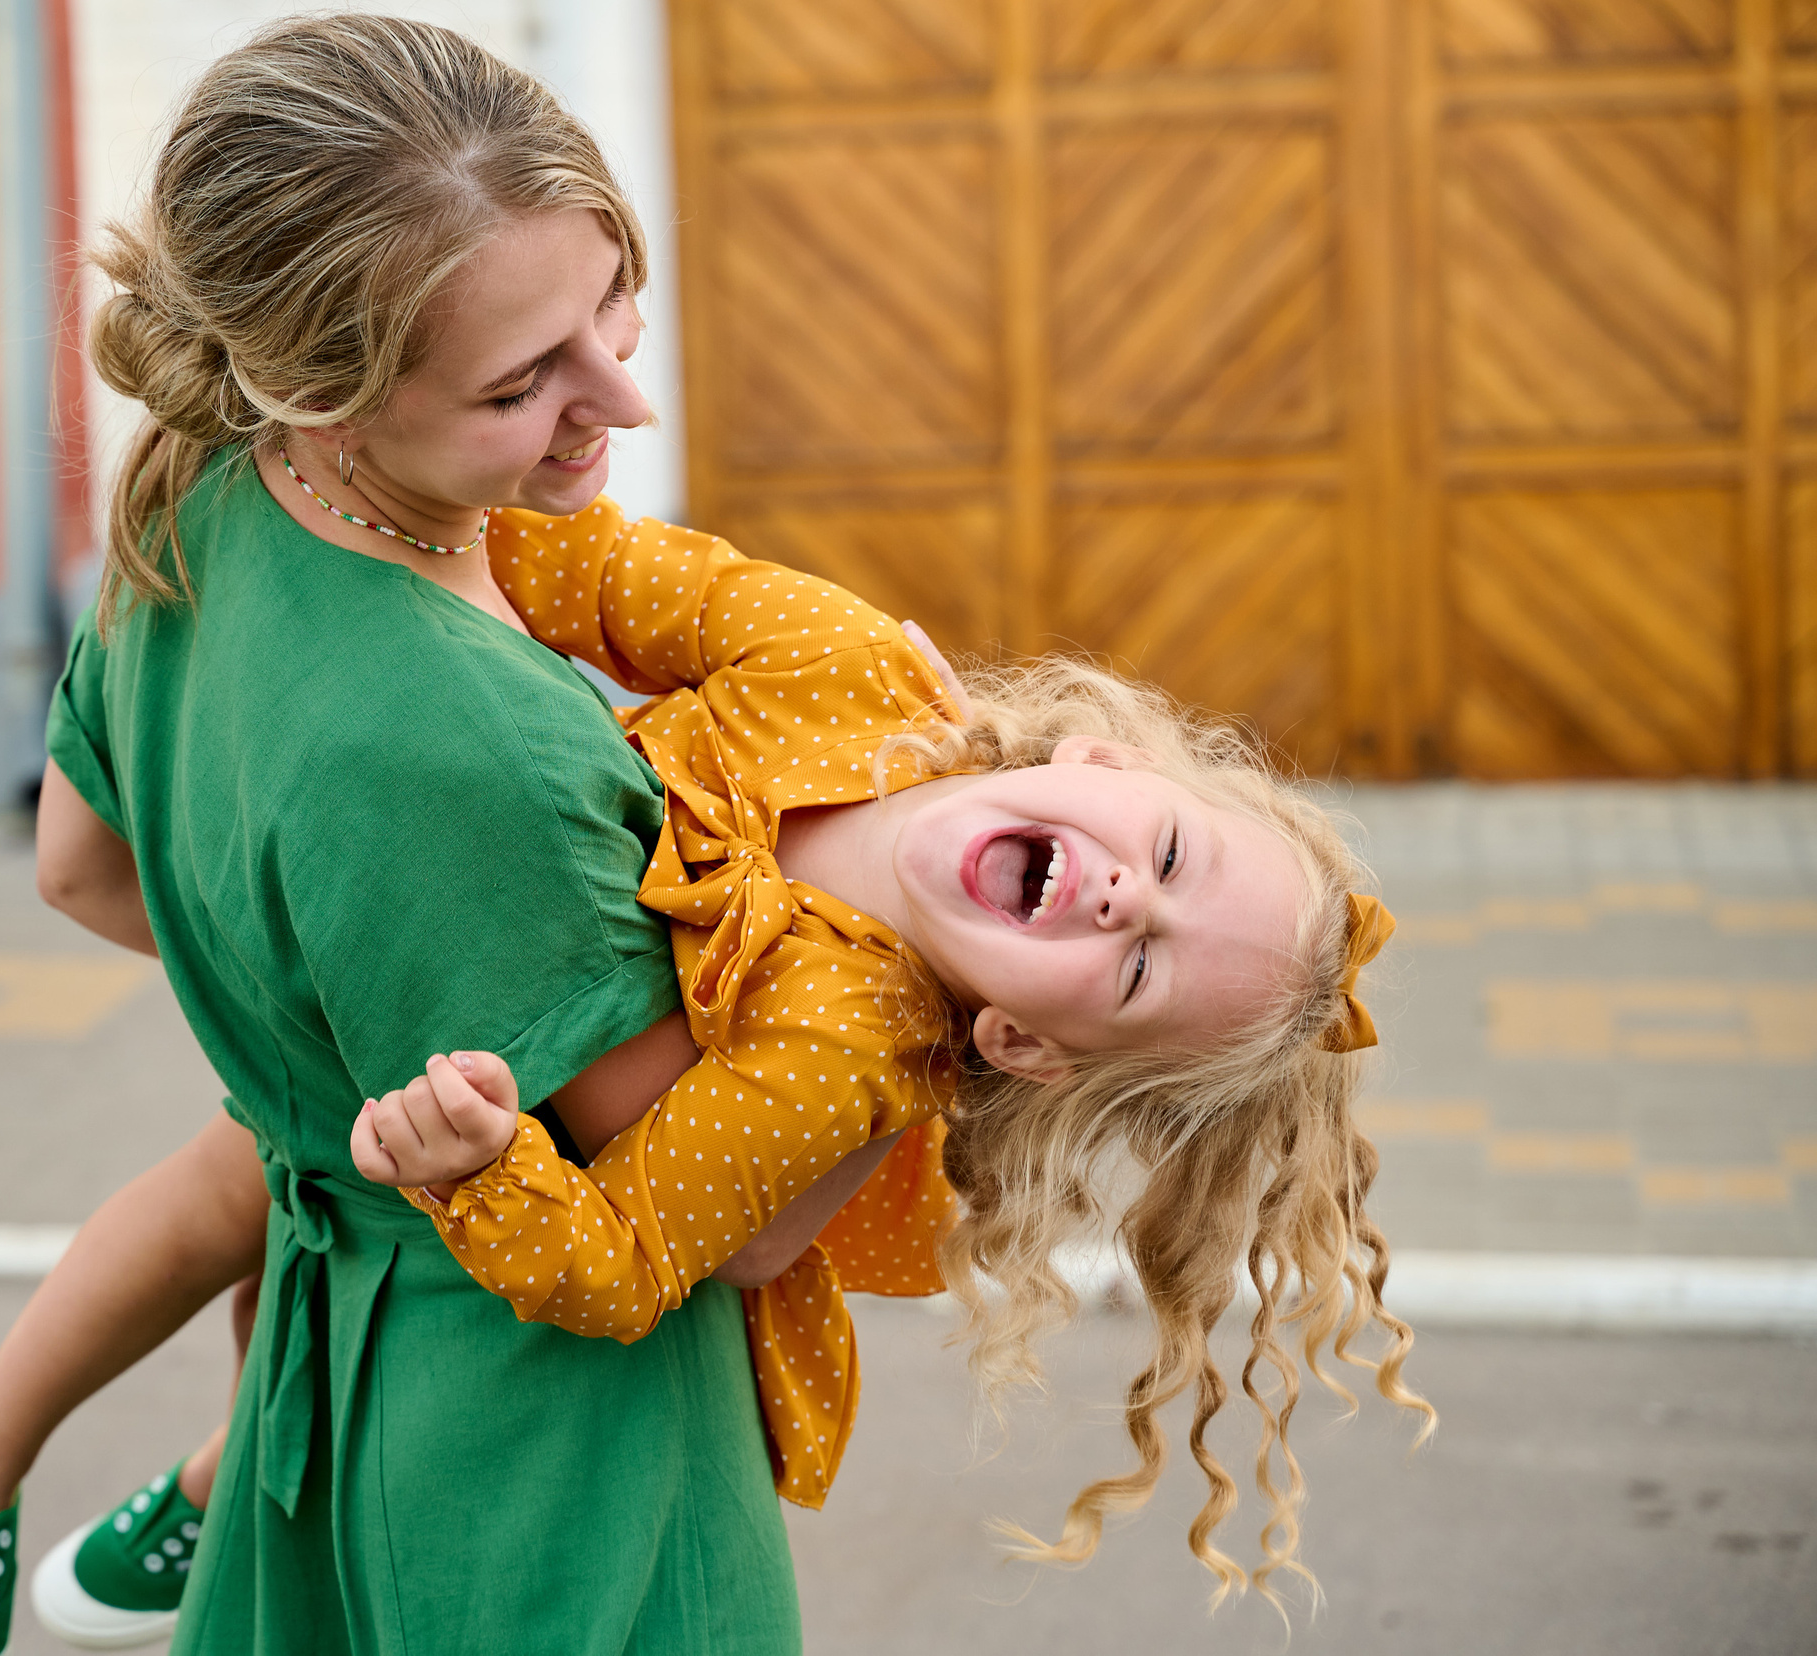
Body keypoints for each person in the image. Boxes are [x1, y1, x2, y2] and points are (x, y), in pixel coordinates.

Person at [0, 11, 822, 1656]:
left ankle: (44, 1469)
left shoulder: (197, 492)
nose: (623, 400)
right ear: (324, 388)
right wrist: (937, 1011)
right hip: (533, 1437)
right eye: (524, 380)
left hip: (326, 1355)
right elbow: (736, 1221)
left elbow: (82, 866)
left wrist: (331, 1050)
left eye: (610, 306)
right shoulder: (482, 742)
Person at [346, 500, 1434, 1601]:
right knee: (215, 1212)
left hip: (403, 1000)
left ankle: (212, 1511)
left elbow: (624, 1256)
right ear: (1103, 762)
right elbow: (584, 565)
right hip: (369, 814)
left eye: (1140, 969)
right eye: (1165, 852)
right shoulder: (842, 663)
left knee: (272, 1228)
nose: (1122, 895)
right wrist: (378, 553)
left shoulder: (841, 1053)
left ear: (1024, 1044)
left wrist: (480, 1167)